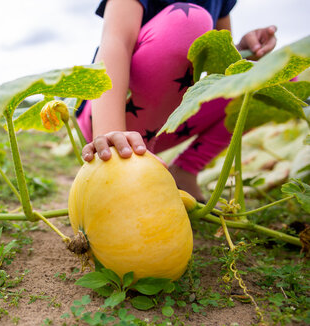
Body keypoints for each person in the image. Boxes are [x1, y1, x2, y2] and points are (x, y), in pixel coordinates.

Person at [77, 0, 277, 201]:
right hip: (107, 112)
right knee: (190, 18)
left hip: (167, 122)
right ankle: (127, 165)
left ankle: (185, 171)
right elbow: (116, 42)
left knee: (274, 77)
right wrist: (108, 132)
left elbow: (218, 62)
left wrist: (241, 49)